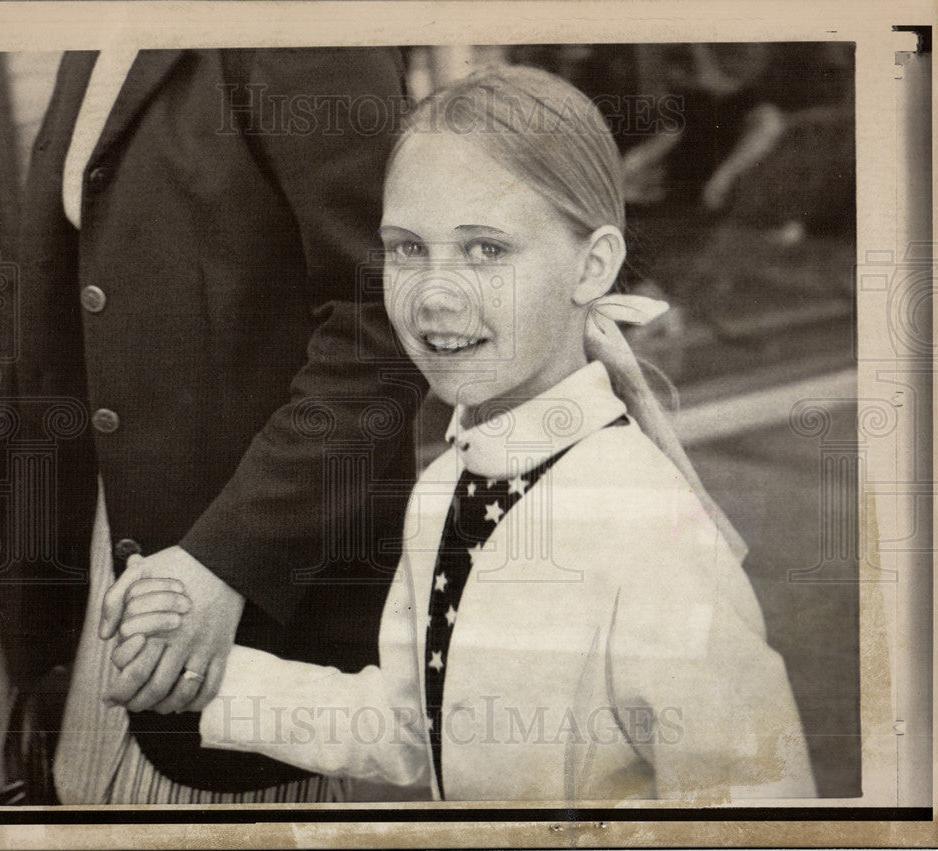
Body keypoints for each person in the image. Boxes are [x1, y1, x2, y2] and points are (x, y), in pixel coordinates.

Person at [115, 65, 816, 802]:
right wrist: (204, 680)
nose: (435, 295)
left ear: (594, 264)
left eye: (486, 249)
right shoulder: (447, 486)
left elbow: (756, 805)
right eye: (406, 248)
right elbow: (421, 725)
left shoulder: (650, 529)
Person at [9, 46, 425, 803]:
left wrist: (230, 560)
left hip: (232, 597)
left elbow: (386, 325)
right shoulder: (96, 36)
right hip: (104, 572)